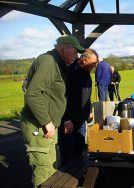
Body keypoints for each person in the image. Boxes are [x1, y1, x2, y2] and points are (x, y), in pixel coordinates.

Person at [20, 35, 85, 187]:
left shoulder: (58, 63)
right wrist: (46, 122)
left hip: (46, 125)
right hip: (38, 125)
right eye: (75, 52)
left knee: (51, 170)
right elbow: (32, 94)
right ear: (64, 47)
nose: (76, 56)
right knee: (44, 171)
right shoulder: (49, 61)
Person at [58, 49, 98, 166]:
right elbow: (63, 97)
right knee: (68, 153)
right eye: (93, 63)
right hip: (69, 120)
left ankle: (79, 179)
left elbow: (86, 94)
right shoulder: (70, 72)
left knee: (80, 150)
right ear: (84, 60)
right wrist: (66, 119)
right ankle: (65, 181)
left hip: (81, 120)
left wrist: (89, 110)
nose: (94, 66)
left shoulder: (86, 73)